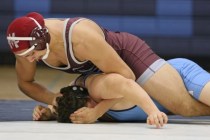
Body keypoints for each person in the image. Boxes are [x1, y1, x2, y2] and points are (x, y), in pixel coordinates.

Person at [6, 12, 210, 117]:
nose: (29, 60)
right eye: (24, 56)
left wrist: (98, 111)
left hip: (128, 59)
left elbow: (126, 76)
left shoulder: (80, 38)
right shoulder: (26, 45)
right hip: (105, 73)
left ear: (42, 39)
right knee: (172, 105)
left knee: (183, 106)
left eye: (32, 54)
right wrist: (55, 100)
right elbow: (25, 82)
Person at [33, 58, 210, 125]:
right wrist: (49, 112)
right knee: (187, 108)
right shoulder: (73, 98)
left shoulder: (98, 86)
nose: (90, 110)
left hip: (178, 76)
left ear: (88, 96)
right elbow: (62, 102)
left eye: (90, 105)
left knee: (187, 108)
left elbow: (127, 85)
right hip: (172, 101)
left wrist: (97, 111)